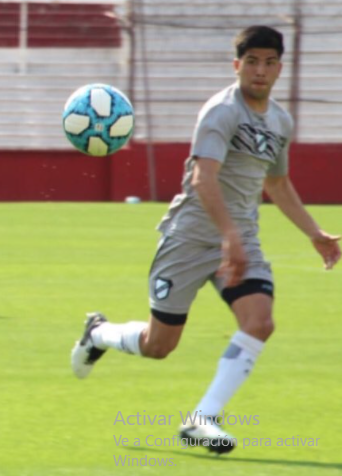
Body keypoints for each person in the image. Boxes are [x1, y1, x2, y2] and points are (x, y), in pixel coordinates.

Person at [70, 25, 340, 454]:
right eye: (251, 61)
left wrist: (315, 233)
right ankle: (99, 333)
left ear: (279, 68)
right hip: (191, 238)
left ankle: (203, 417)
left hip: (241, 239)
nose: (260, 70)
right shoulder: (221, 111)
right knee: (159, 346)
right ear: (237, 65)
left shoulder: (280, 121)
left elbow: (278, 182)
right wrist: (226, 235)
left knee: (260, 322)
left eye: (269, 62)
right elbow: (202, 178)